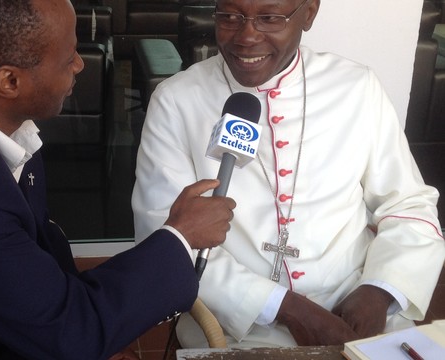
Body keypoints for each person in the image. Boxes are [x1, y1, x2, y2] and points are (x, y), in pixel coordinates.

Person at [0, 0, 237, 359]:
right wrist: (181, 236)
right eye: (67, 57)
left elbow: (39, 259)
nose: (79, 65)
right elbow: (68, 335)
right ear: (9, 81)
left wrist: (99, 330)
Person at [132, 0, 445, 349]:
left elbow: (409, 205)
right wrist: (284, 307)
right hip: (239, 327)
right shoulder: (176, 101)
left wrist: (380, 290)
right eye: (230, 17)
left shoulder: (357, 87)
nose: (247, 36)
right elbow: (163, 237)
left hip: (358, 311)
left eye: (269, 18)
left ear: (308, 13)